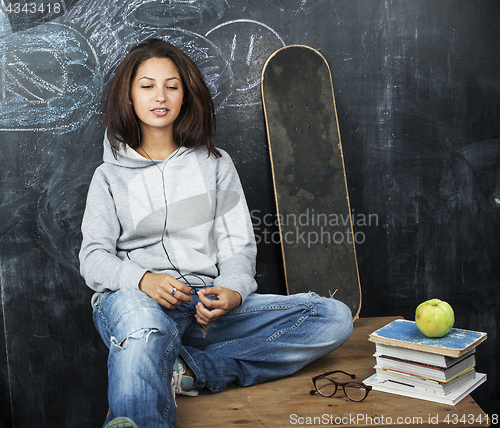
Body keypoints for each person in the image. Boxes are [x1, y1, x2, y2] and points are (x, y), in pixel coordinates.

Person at [79, 38, 353, 428]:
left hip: (203, 309)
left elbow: (237, 246)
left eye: (172, 86)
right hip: (135, 303)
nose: (161, 96)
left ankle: (190, 370)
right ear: (128, 96)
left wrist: (234, 289)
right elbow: (93, 258)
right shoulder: (108, 176)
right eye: (147, 86)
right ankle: (156, 368)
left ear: (186, 96)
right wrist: (142, 279)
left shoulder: (215, 164)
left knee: (332, 316)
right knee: (145, 329)